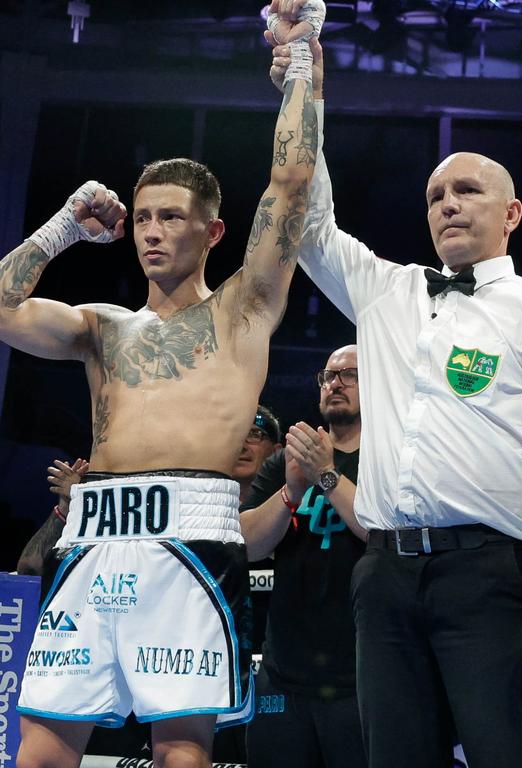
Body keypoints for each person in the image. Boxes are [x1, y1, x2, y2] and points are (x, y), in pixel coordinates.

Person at [266, 25, 522, 767]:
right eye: (435, 195)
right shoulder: (388, 294)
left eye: (467, 190)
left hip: (492, 575)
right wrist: (305, 82)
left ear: (511, 213)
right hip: (386, 575)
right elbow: (309, 222)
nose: (448, 204)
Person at [5, 4, 323, 765]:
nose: (151, 231)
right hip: (92, 542)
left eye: (171, 218)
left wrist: (303, 60)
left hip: (191, 539)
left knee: (182, 753)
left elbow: (292, 179)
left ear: (212, 232)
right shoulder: (100, 326)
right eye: (143, 217)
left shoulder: (243, 310)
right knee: (39, 750)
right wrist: (63, 228)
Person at [239, 344, 367, 768]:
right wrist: (292, 491)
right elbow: (249, 544)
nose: (335, 383)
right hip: (284, 672)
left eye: (349, 374)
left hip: (361, 675)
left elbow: (379, 532)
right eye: (328, 376)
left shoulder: (387, 458)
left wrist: (326, 477)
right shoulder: (285, 462)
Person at [233, 405, 283, 504]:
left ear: (276, 452)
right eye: (233, 436)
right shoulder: (197, 505)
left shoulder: (294, 506)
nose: (242, 447)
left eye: (254, 434)